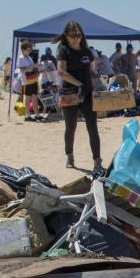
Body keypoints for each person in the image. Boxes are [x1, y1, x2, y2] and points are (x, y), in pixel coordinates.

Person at [55, 21, 101, 172]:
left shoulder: (86, 51)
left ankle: (97, 160)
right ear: (66, 36)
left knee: (92, 126)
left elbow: (92, 69)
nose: (76, 39)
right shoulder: (63, 50)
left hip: (87, 93)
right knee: (71, 127)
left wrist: (102, 80)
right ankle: (69, 154)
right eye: (73, 36)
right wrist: (78, 84)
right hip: (69, 93)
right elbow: (61, 72)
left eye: (78, 35)